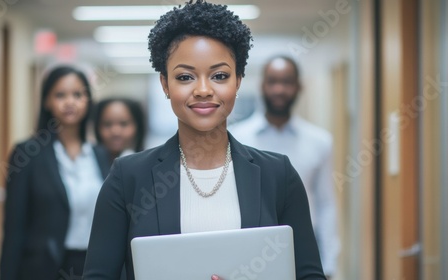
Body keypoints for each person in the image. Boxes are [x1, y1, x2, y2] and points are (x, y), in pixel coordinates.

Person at [83, 1, 326, 279]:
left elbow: (309, 274)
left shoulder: (279, 176)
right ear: (165, 84)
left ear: (238, 81)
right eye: (185, 77)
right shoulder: (127, 179)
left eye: (219, 75)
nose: (202, 90)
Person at [229, 56, 340, 278]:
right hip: (249, 249)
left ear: (299, 87)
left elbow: (325, 203)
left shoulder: (319, 141)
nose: (279, 89)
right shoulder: (236, 138)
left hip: (304, 246)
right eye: (273, 81)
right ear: (262, 85)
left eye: (287, 82)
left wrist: (329, 263)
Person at [0, 66, 110, 280]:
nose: (70, 102)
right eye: (60, 95)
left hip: (94, 266)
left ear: (88, 100)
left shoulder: (100, 154)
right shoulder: (28, 154)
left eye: (78, 94)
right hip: (44, 268)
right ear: (47, 101)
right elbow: (14, 228)